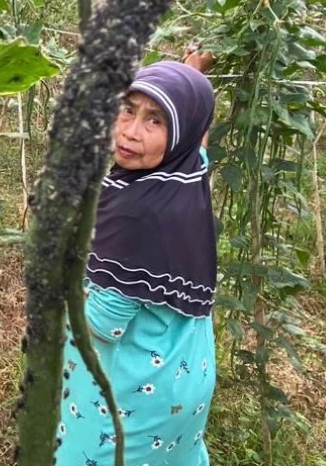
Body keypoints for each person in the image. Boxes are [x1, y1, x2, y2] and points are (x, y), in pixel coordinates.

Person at [54, 56, 218, 466]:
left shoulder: (133, 212)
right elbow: (199, 145)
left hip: (133, 392)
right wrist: (192, 73)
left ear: (178, 131)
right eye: (127, 110)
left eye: (155, 121)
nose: (129, 132)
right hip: (183, 378)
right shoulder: (186, 173)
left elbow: (100, 326)